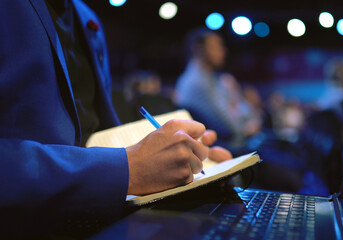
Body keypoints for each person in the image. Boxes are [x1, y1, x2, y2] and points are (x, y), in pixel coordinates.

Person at [0, 0, 231, 236]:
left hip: (103, 215)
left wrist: (173, 160)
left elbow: (97, 131)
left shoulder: (87, 16)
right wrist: (131, 169)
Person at [175, 28, 262, 151]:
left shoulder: (213, 78)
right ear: (199, 49)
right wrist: (236, 99)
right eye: (216, 46)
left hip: (231, 146)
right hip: (225, 149)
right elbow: (231, 128)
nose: (223, 51)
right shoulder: (197, 82)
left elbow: (245, 119)